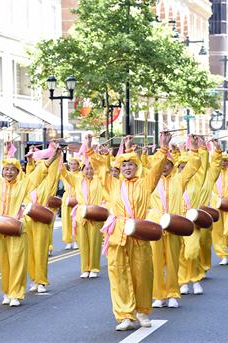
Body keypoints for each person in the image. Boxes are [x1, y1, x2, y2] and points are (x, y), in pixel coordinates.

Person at [88, 133, 170, 331]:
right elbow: (100, 169)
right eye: (123, 165)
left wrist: (163, 148)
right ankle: (124, 315)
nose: (127, 168)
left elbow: (158, 169)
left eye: (130, 165)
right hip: (118, 234)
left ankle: (142, 311)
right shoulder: (112, 184)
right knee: (118, 274)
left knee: (142, 274)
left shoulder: (145, 183)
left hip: (139, 233)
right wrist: (89, 149)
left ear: (137, 167)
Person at [0, 141, 61, 307]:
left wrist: (53, 158)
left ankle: (16, 293)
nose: (9, 172)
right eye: (6, 169)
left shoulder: (23, 184)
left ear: (18, 172)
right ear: (2, 171)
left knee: (17, 261)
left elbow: (38, 174)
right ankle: (7, 292)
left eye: (12, 170)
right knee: (4, 263)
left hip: (17, 227)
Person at [150, 137, 200, 308]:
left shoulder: (180, 179)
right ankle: (159, 295)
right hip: (156, 227)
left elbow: (193, 167)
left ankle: (172, 293)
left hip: (174, 225)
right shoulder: (151, 181)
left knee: (172, 262)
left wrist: (194, 150)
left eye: (168, 164)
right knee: (156, 263)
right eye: (162, 164)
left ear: (172, 166)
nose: (164, 167)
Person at [178, 139, 222, 296]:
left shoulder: (201, 180)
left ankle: (197, 277)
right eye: (181, 168)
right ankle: (183, 281)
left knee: (194, 250)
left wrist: (207, 150)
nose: (184, 171)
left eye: (186, 168)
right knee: (181, 254)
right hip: (177, 223)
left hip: (197, 220)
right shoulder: (174, 184)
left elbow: (208, 167)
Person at [25, 145, 61, 293]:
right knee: (30, 252)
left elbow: (53, 168)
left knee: (40, 251)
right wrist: (30, 160)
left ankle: (41, 281)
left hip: (42, 218)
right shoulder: (28, 180)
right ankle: (33, 279)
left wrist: (56, 154)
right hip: (28, 219)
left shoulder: (49, 179)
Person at [61, 159, 105, 278]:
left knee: (95, 242)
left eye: (91, 168)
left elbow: (104, 166)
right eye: (86, 168)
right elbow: (64, 172)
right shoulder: (77, 180)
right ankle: (85, 268)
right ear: (82, 170)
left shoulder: (99, 180)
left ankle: (94, 268)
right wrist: (58, 156)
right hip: (81, 215)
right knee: (83, 243)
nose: (89, 171)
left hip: (96, 215)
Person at [60, 156, 81, 250]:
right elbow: (59, 169)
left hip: (77, 198)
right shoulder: (66, 174)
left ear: (78, 165)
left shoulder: (80, 175)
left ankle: (76, 240)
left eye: (74, 164)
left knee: (76, 221)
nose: (72, 166)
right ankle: (68, 241)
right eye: (71, 164)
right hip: (66, 198)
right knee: (66, 221)